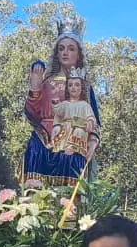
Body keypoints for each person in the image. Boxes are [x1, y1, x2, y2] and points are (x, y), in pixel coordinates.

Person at [23, 22, 101, 185]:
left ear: (78, 54)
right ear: (57, 53)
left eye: (71, 48)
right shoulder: (47, 83)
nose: (65, 53)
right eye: (61, 48)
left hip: (72, 144)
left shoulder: (84, 87)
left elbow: (93, 122)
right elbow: (32, 113)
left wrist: (92, 142)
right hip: (43, 142)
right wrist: (35, 88)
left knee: (69, 197)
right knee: (34, 191)